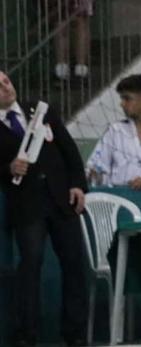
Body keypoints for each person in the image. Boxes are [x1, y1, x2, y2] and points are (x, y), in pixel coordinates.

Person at [0, 70, 89, 347]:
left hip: (62, 200)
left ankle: (74, 334)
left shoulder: (39, 110)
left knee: (75, 264)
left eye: (5, 80)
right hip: (27, 205)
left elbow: (69, 150)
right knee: (31, 265)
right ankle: (26, 334)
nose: (6, 87)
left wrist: (78, 185)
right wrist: (8, 168)